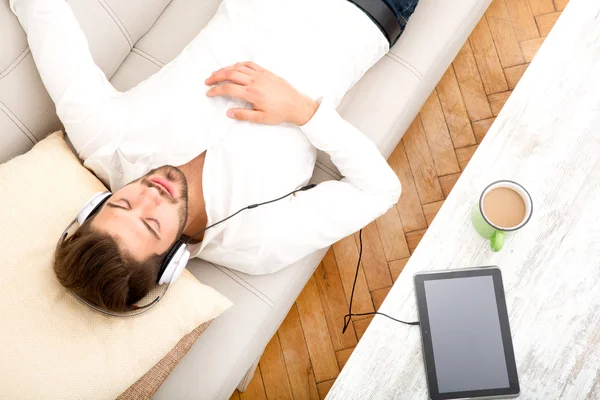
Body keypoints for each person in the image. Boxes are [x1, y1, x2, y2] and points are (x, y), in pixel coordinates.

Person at [10, 0, 419, 312]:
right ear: (172, 259)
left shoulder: (105, 140)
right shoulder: (256, 242)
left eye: (123, 202)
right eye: (152, 223)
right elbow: (379, 191)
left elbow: (47, 23)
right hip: (366, 12)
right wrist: (302, 111)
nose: (151, 193)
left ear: (95, 206)